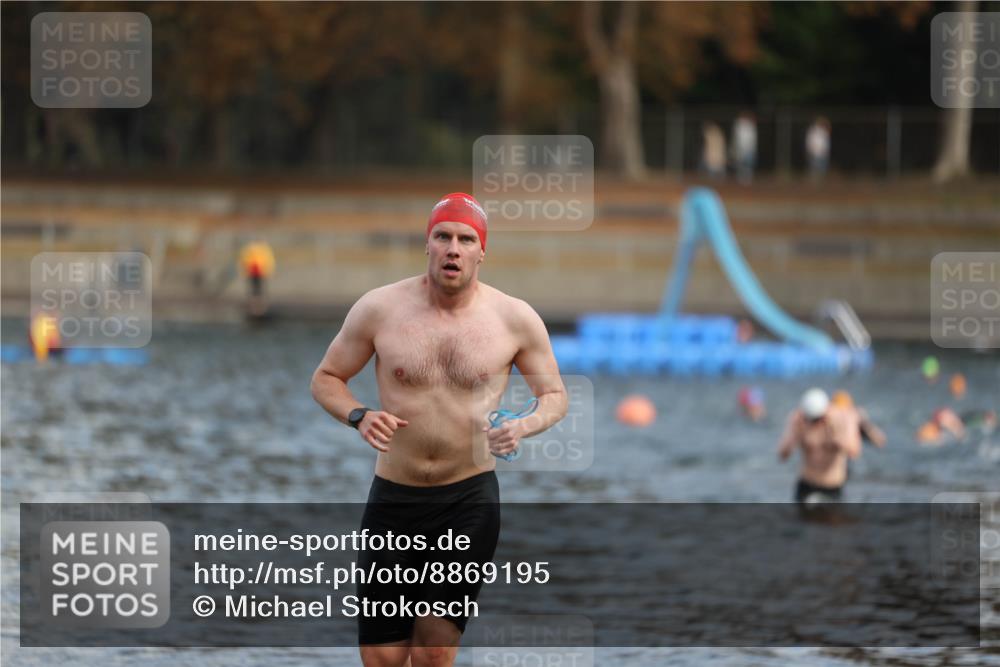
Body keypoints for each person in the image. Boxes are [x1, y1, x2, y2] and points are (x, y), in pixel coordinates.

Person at [310, 192, 568, 667]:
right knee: (382, 657)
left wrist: (522, 425)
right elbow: (326, 379)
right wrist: (359, 415)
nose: (453, 248)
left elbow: (555, 396)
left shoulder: (514, 318)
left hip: (467, 499)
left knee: (433, 649)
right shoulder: (379, 308)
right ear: (426, 244)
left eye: (466, 239)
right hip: (394, 497)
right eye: (443, 236)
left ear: (482, 251)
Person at [778, 388, 861, 504]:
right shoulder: (798, 420)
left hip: (832, 487)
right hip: (806, 484)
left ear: (826, 412)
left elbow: (854, 452)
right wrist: (793, 437)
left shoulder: (840, 418)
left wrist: (836, 436)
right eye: (811, 420)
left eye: (818, 420)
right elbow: (782, 455)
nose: (815, 424)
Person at [731, 112, 757, 185]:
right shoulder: (739, 125)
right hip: (741, 149)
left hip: (749, 149)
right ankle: (741, 179)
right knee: (741, 165)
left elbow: (752, 140)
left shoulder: (750, 126)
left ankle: (747, 179)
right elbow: (737, 139)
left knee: (748, 165)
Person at [805, 116, 830, 182]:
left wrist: (825, 151)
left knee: (822, 169)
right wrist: (810, 150)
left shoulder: (824, 131)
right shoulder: (813, 131)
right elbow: (809, 141)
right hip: (815, 153)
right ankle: (814, 182)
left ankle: (820, 182)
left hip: (823, 153)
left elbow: (826, 143)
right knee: (815, 169)